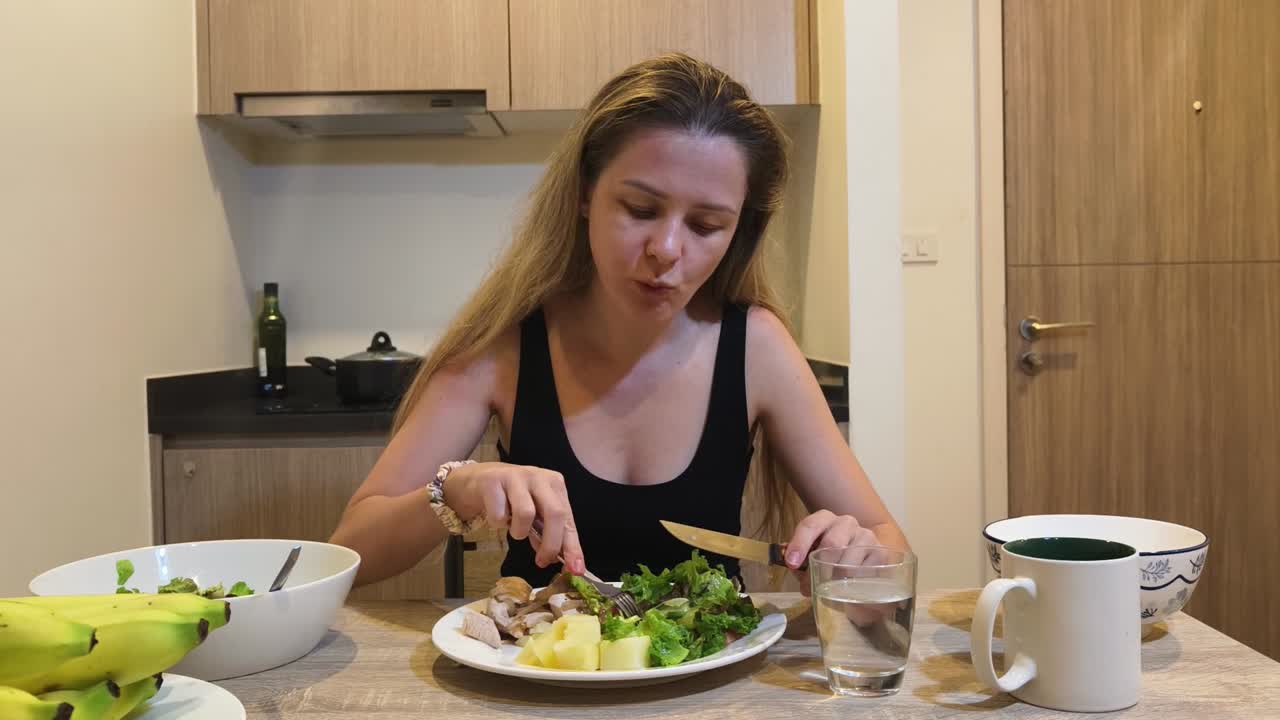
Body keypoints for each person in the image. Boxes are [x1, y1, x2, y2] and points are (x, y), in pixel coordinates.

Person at [329, 53, 908, 592]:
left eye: (706, 225)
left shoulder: (755, 346)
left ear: (739, 232)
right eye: (640, 209)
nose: (667, 248)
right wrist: (451, 490)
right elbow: (349, 550)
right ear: (585, 194)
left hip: (711, 686)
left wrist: (857, 554)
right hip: (538, 680)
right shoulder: (507, 343)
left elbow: (889, 545)